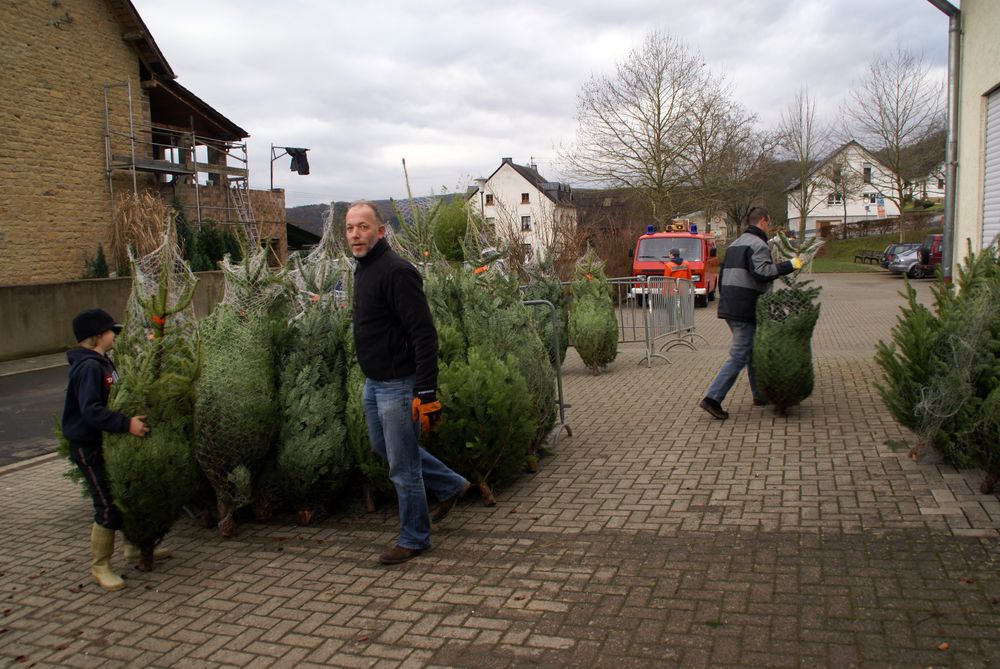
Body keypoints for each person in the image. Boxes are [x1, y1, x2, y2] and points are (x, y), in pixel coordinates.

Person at [347, 200, 471, 565]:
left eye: (363, 227)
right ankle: (450, 484)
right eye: (350, 227)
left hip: (399, 385)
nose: (356, 234)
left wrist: (426, 391)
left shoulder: (396, 271)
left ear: (380, 231)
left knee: (402, 467)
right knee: (384, 448)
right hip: (375, 382)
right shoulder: (363, 268)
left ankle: (415, 538)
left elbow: (424, 334)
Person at [62, 308, 150, 591]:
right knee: (107, 506)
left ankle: (133, 549)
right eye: (112, 332)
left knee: (123, 496)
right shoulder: (89, 368)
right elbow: (91, 411)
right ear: (97, 336)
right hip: (89, 448)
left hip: (105, 444)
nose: (115, 336)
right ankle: (100, 566)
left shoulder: (102, 361)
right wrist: (126, 424)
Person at [699, 207, 802, 419]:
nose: (770, 226)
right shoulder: (758, 245)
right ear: (763, 221)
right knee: (739, 355)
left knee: (751, 352)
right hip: (746, 308)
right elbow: (763, 272)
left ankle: (759, 394)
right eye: (769, 223)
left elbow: (723, 275)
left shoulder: (735, 244)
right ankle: (712, 398)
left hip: (730, 306)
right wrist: (790, 265)